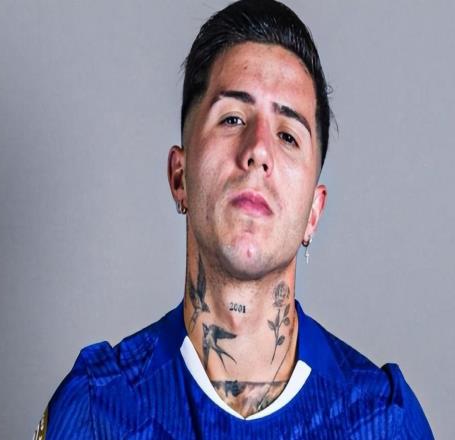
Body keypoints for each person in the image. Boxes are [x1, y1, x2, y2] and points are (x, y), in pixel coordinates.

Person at [35, 1, 434, 438]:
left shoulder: (383, 420)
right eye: (232, 118)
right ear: (180, 177)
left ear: (313, 213)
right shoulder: (98, 409)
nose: (258, 150)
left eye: (288, 135)